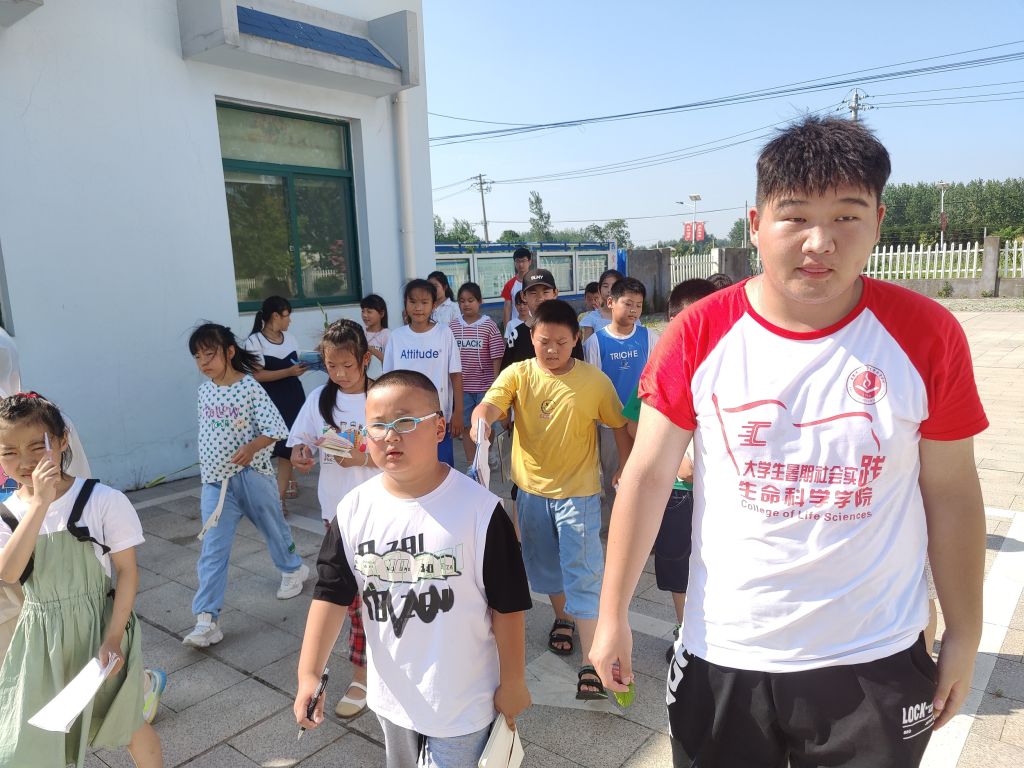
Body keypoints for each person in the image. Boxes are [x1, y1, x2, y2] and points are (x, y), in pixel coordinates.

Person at [592, 116, 987, 767]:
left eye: (847, 217)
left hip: (876, 656)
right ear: (756, 224)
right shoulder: (698, 333)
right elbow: (648, 475)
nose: (819, 243)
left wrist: (966, 634)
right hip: (725, 651)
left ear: (879, 221)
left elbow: (951, 492)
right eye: (795, 216)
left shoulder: (927, 334)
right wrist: (612, 615)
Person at [294, 370, 532, 767]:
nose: (391, 436)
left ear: (439, 427)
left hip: (462, 701)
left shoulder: (481, 511)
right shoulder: (352, 510)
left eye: (405, 422)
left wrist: (514, 682)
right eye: (378, 425)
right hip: (391, 699)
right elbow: (331, 595)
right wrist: (309, 674)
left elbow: (508, 606)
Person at [472, 299, 630, 701]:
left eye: (561, 342)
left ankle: (591, 662)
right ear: (532, 337)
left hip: (579, 494)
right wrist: (481, 420)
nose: (552, 349)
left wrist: (625, 466)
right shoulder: (518, 373)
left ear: (576, 339)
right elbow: (491, 404)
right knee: (543, 566)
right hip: (530, 493)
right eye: (545, 341)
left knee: (583, 571)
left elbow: (619, 424)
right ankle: (564, 618)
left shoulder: (594, 382)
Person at [0, 393, 164, 768]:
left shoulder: (102, 499)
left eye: (36, 447)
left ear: (61, 441)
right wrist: (38, 504)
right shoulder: (9, 513)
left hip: (100, 627)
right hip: (40, 638)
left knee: (125, 722)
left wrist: (113, 637)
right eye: (8, 452)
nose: (24, 462)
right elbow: (8, 573)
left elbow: (127, 572)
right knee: (35, 735)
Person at [185, 323, 310, 648]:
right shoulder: (204, 392)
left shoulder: (250, 387)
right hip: (216, 485)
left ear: (228, 352)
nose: (203, 362)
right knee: (213, 550)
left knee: (274, 528)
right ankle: (206, 620)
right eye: (197, 356)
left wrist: (252, 448)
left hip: (253, 477)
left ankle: (293, 568)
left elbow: (276, 429)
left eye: (209, 354)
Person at [620, 278, 716, 663]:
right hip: (678, 492)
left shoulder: (734, 368)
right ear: (672, 322)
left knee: (715, 561)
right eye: (686, 320)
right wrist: (674, 458)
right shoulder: (662, 369)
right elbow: (633, 422)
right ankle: (684, 629)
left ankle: (712, 629)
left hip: (721, 493)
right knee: (678, 565)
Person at [288, 319, 379, 720]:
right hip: (337, 515)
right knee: (351, 600)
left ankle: (384, 664)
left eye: (347, 365)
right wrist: (300, 456)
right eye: (331, 366)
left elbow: (406, 451)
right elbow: (300, 443)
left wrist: (363, 458)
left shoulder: (382, 397)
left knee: (382, 596)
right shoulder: (319, 400)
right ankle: (362, 673)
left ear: (365, 359)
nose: (339, 373)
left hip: (382, 512)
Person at [583, 277, 659, 534]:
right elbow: (593, 387)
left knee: (644, 475)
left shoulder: (650, 338)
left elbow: (655, 380)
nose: (634, 310)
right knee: (614, 475)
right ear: (610, 302)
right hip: (609, 425)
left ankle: (644, 529)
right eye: (628, 304)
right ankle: (619, 527)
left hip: (643, 423)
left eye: (638, 305)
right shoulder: (595, 343)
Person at [384, 280, 463, 468]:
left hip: (437, 417)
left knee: (441, 467)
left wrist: (458, 411)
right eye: (413, 302)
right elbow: (388, 379)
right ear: (405, 304)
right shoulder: (397, 337)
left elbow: (455, 374)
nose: (418, 308)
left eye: (424, 302)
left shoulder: (444, 333)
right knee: (410, 467)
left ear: (433, 305)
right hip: (403, 417)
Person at [244, 296, 308, 512]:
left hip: (294, 396)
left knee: (289, 446)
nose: (289, 320)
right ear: (275, 316)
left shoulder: (290, 338)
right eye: (287, 316)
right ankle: (273, 493)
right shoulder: (255, 341)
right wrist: (288, 371)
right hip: (270, 400)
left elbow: (295, 364)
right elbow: (258, 375)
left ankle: (279, 499)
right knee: (274, 446)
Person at [451, 282, 505, 465]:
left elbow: (497, 355)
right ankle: (471, 464)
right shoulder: (453, 327)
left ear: (480, 301)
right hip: (463, 388)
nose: (466, 304)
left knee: (487, 425)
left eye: (471, 300)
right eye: (462, 301)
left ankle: (487, 452)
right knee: (467, 426)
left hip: (485, 386)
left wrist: (496, 383)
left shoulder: (488, 325)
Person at [501, 269, 584, 369]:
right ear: (523, 296)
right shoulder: (516, 335)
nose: (540, 298)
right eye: (533, 293)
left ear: (555, 293)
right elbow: (507, 373)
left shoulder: (568, 331)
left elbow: (579, 369)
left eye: (545, 292)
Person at [579, 268, 623, 341]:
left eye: (614, 286)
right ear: (599, 290)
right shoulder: (592, 318)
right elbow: (587, 345)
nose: (609, 290)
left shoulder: (630, 316)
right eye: (605, 286)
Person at [360, 294, 390, 381]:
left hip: (380, 380)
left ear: (381, 313)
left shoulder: (386, 334)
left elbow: (388, 360)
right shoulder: (360, 332)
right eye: (363, 311)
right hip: (362, 380)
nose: (365, 315)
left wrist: (368, 347)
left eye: (369, 312)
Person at [501, 247, 533, 327]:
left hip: (535, 326)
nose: (520, 264)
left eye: (523, 261)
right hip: (516, 327)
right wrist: (507, 330)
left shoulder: (536, 282)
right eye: (518, 261)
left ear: (529, 262)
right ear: (514, 263)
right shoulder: (509, 284)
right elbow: (507, 309)